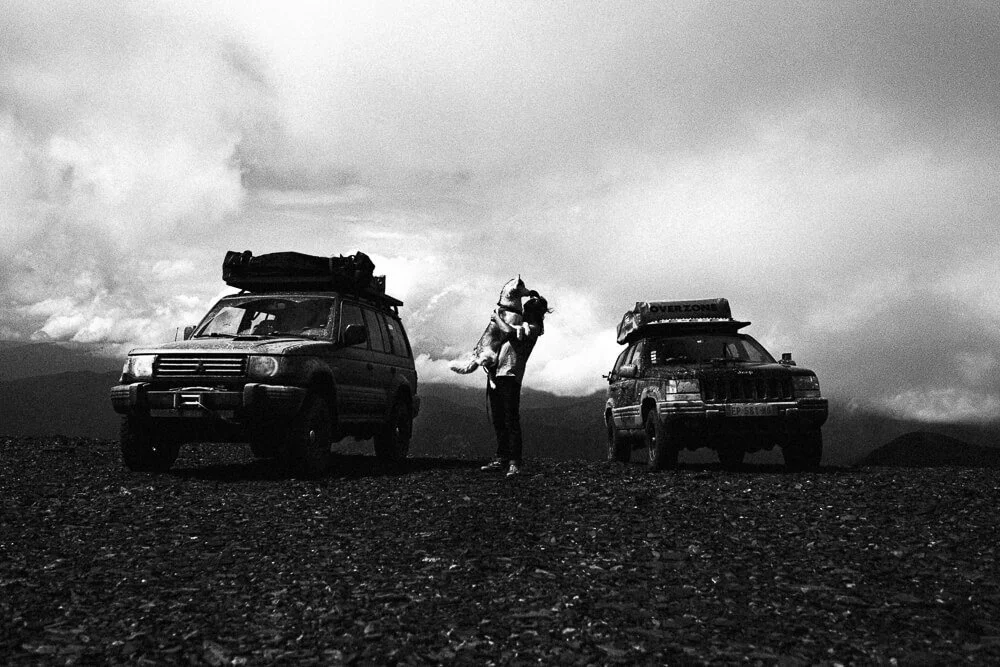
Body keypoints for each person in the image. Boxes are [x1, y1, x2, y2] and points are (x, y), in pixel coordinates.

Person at [480, 293, 551, 477]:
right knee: (499, 418)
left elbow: (508, 332)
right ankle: (503, 457)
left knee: (510, 419)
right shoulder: (527, 326)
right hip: (499, 373)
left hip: (511, 376)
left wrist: (496, 317)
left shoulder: (532, 329)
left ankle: (513, 462)